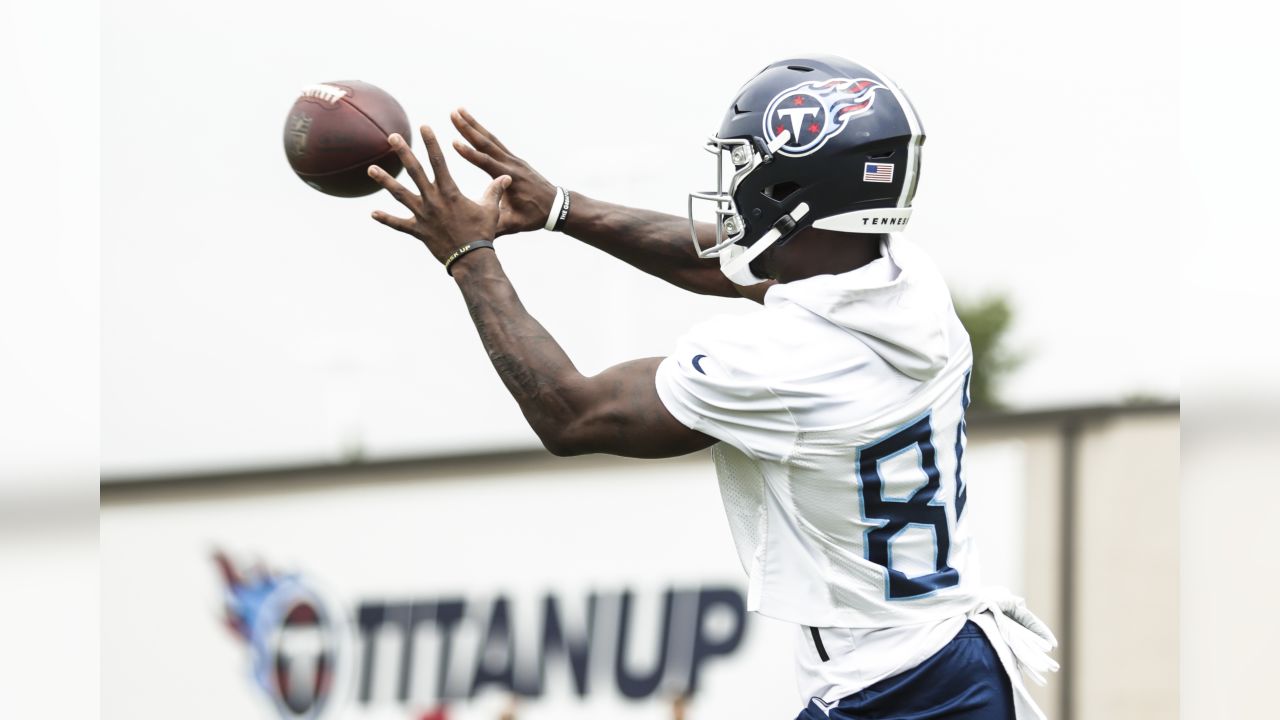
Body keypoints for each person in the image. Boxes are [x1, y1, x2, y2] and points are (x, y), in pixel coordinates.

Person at [364, 55, 1057, 720]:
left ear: (795, 189)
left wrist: (468, 256)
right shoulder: (905, 284)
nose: (735, 185)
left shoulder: (783, 364)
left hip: (892, 692)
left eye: (748, 165)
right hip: (950, 662)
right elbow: (730, 265)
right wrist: (562, 209)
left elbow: (572, 414)